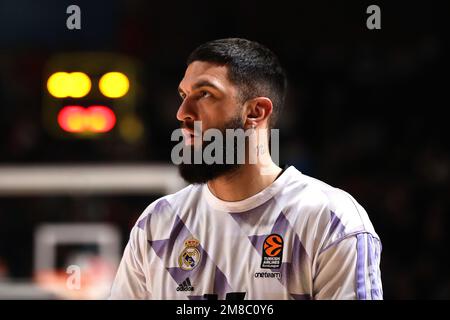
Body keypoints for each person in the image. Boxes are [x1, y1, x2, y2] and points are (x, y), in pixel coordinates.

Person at [110, 38, 382, 300]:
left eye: (204, 94)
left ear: (256, 112)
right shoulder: (157, 223)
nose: (183, 112)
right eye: (183, 95)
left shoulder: (331, 220)